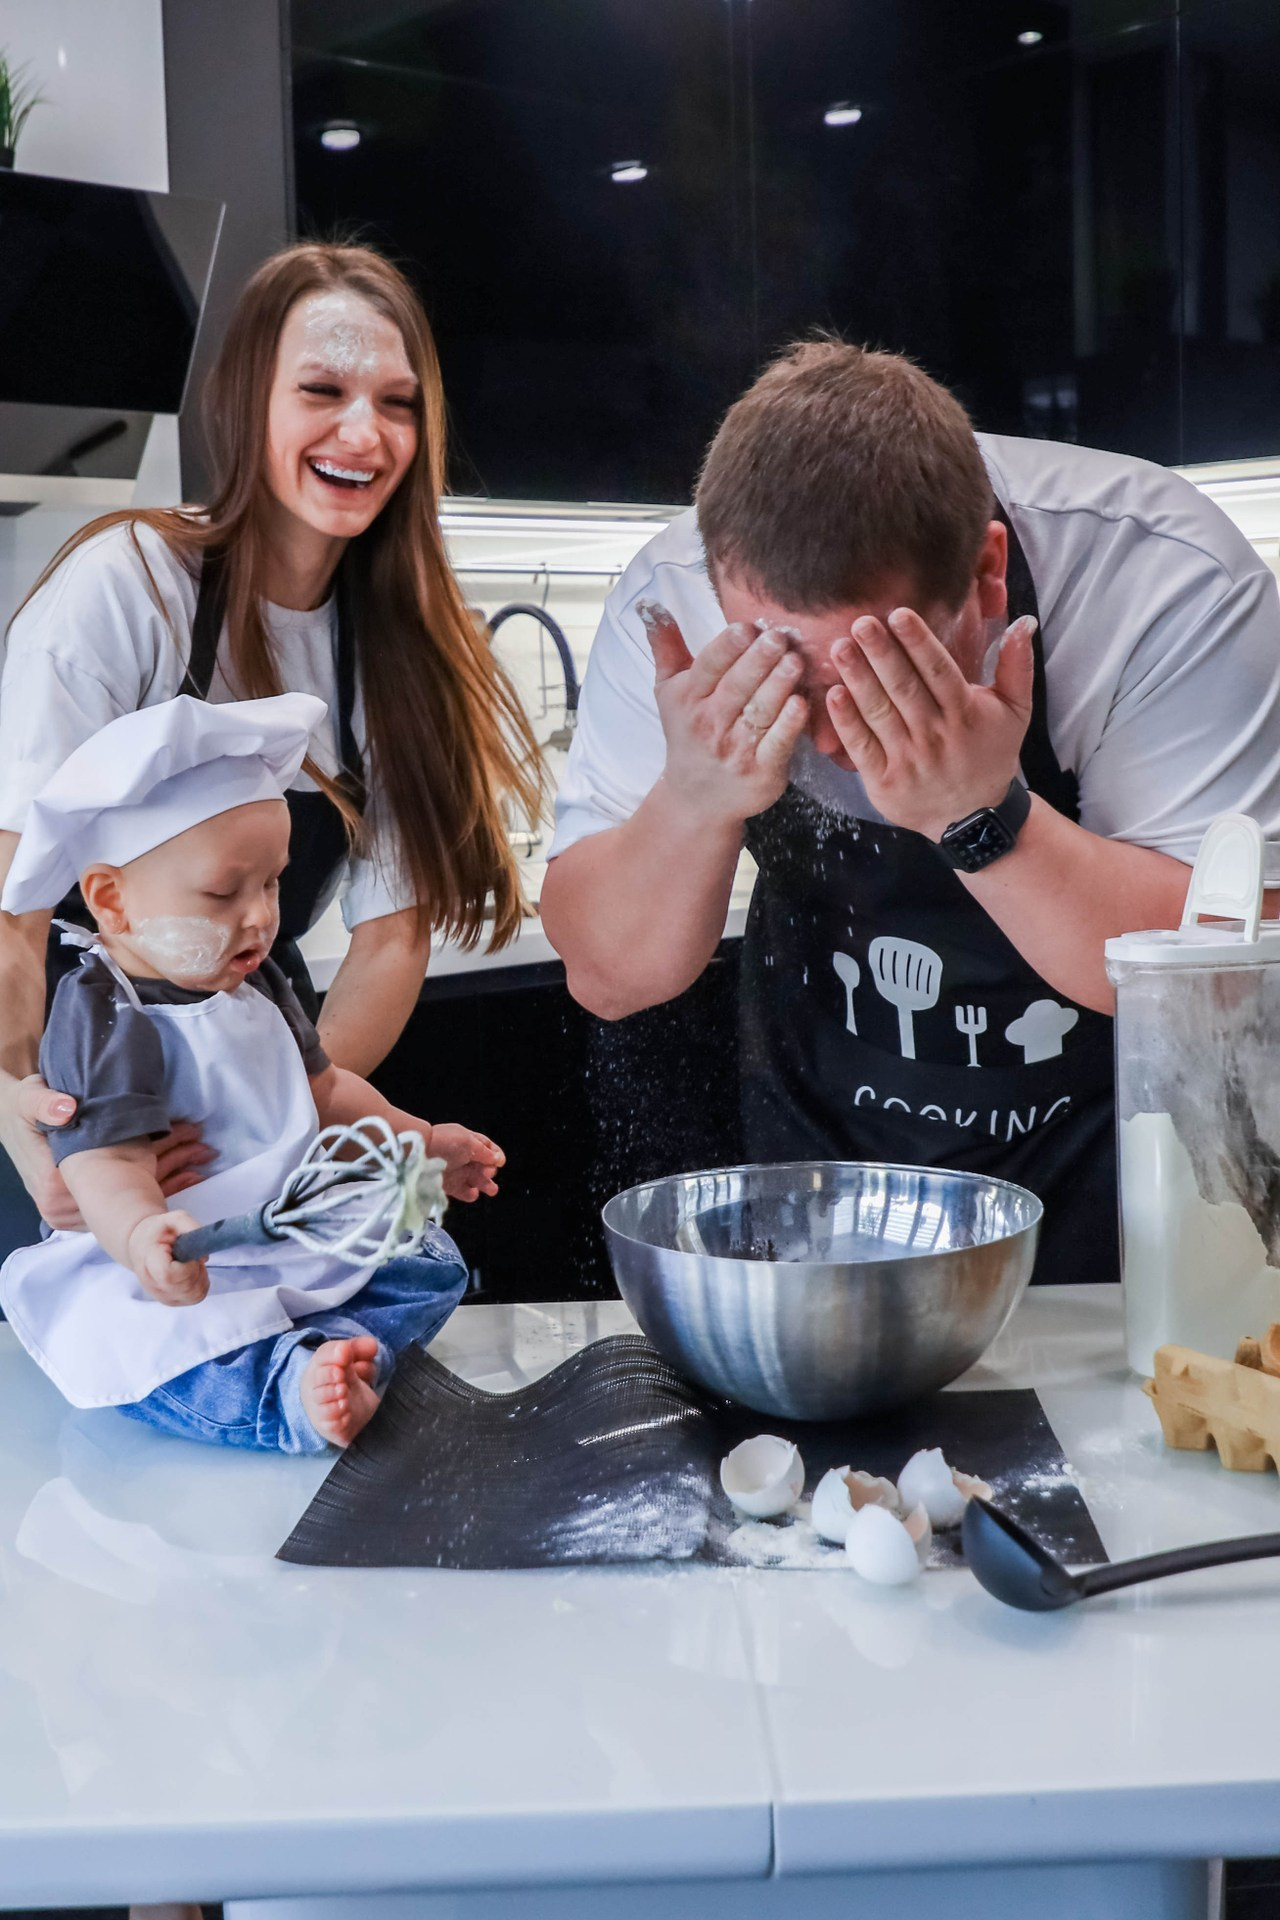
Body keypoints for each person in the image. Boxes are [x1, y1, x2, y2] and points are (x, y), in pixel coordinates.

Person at [540, 341, 1280, 1285]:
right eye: (781, 684)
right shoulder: (672, 600)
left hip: (1127, 1167)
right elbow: (608, 978)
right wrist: (693, 799)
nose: (832, 737)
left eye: (882, 674)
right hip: (827, 1149)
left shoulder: (1161, 580)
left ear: (987, 571)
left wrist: (984, 817)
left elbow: (1227, 981)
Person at [0, 241, 542, 1243]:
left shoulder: (400, 648)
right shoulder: (133, 584)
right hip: (66, 1091)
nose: (363, 432)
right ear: (248, 402)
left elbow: (392, 937)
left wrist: (279, 1122)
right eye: (322, 390)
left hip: (249, 1072)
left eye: (397, 403)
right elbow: (12, 907)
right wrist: (44, 1136)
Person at [0, 692, 499, 1450]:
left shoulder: (256, 981)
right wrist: (141, 1237)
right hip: (182, 1262)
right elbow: (104, 1166)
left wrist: (419, 1141)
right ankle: (287, 1394)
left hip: (278, 1232)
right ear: (113, 901)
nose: (261, 916)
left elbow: (324, 1091)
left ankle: (321, 1352)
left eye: (271, 884)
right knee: (167, 1352)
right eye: (223, 892)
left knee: (429, 1260)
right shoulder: (105, 1014)